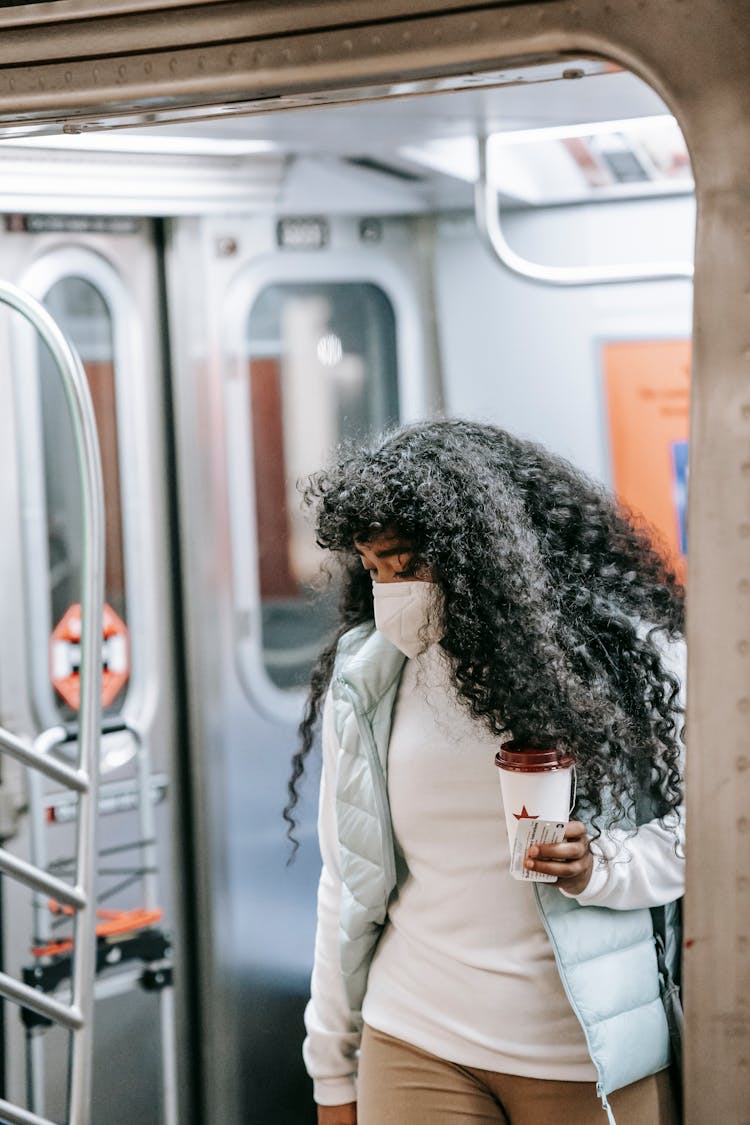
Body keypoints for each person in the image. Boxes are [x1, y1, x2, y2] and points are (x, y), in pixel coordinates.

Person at [284, 419, 685, 1125]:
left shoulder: (622, 661)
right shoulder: (372, 680)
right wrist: (331, 1070)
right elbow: (345, 881)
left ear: (475, 554)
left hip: (585, 1054)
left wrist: (603, 866)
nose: (391, 592)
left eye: (406, 564)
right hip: (414, 1036)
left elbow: (714, 829)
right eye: (374, 568)